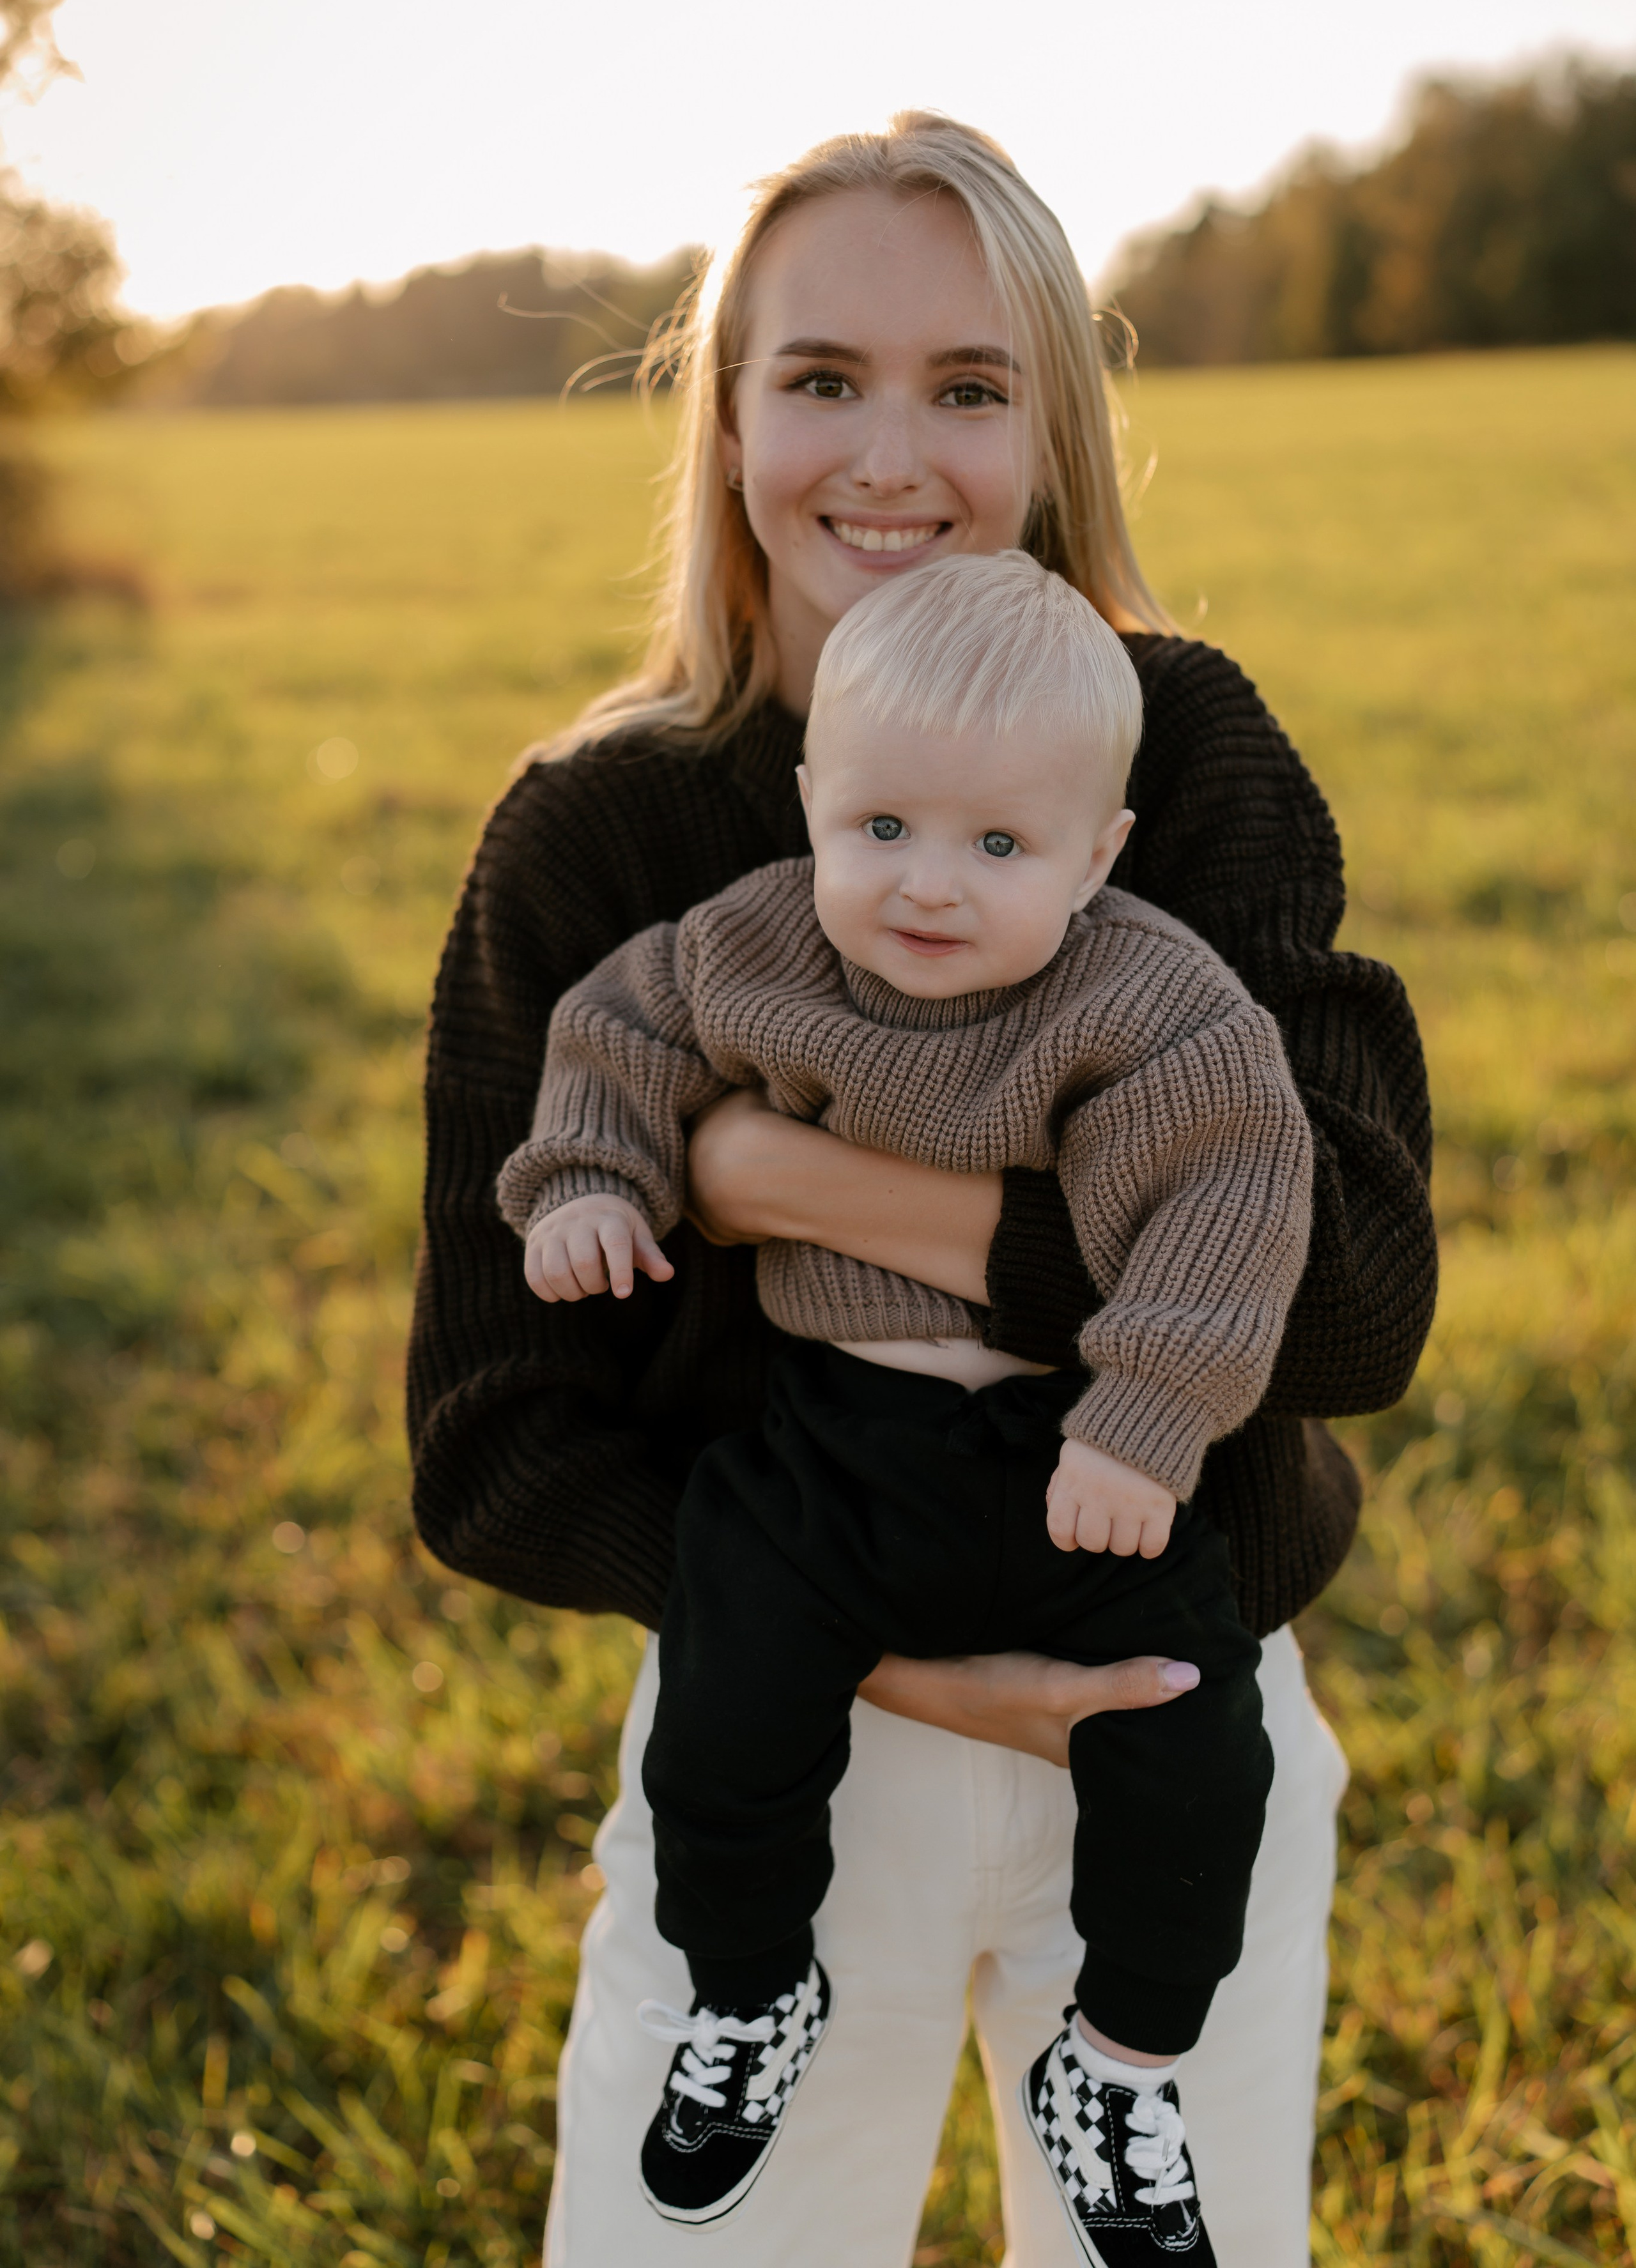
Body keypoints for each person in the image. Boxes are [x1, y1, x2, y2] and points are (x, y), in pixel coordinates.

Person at [408, 112, 1436, 2268]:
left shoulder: (1180, 753)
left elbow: (1345, 1305)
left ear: (1056, 427)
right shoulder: (603, 837)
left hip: (1174, 1707)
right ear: (726, 418)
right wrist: (878, 1664)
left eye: (968, 387)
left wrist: (779, 1173)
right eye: (821, 380)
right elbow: (491, 1450)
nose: (894, 454)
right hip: (773, 1747)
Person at [499, 549, 1315, 2259]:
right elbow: (618, 1033)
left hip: (1070, 1456)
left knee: (1193, 1740)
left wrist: (1147, 1417)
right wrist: (591, 1179)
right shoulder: (753, 946)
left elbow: (1240, 1196)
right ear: (813, 800)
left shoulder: (1153, 1002)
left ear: (1101, 855)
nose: (928, 886)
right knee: (723, 1710)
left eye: (999, 847)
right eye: (882, 828)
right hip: (833, 1444)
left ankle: (1123, 2063)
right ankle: (750, 1990)